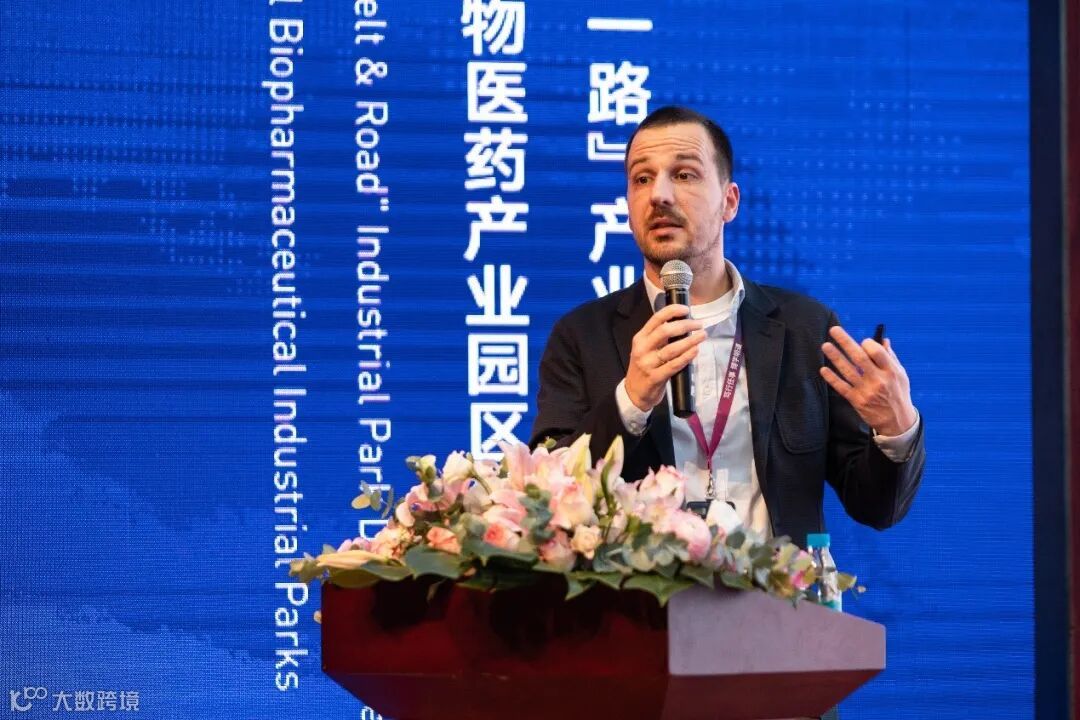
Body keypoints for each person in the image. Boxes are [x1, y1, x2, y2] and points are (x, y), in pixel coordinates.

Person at [530, 106, 925, 547]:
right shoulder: (582, 337)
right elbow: (549, 494)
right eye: (642, 179)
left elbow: (876, 507)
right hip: (641, 589)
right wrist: (631, 401)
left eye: (684, 175)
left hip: (778, 588)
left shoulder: (805, 328)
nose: (659, 195)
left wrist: (896, 429)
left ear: (730, 202)